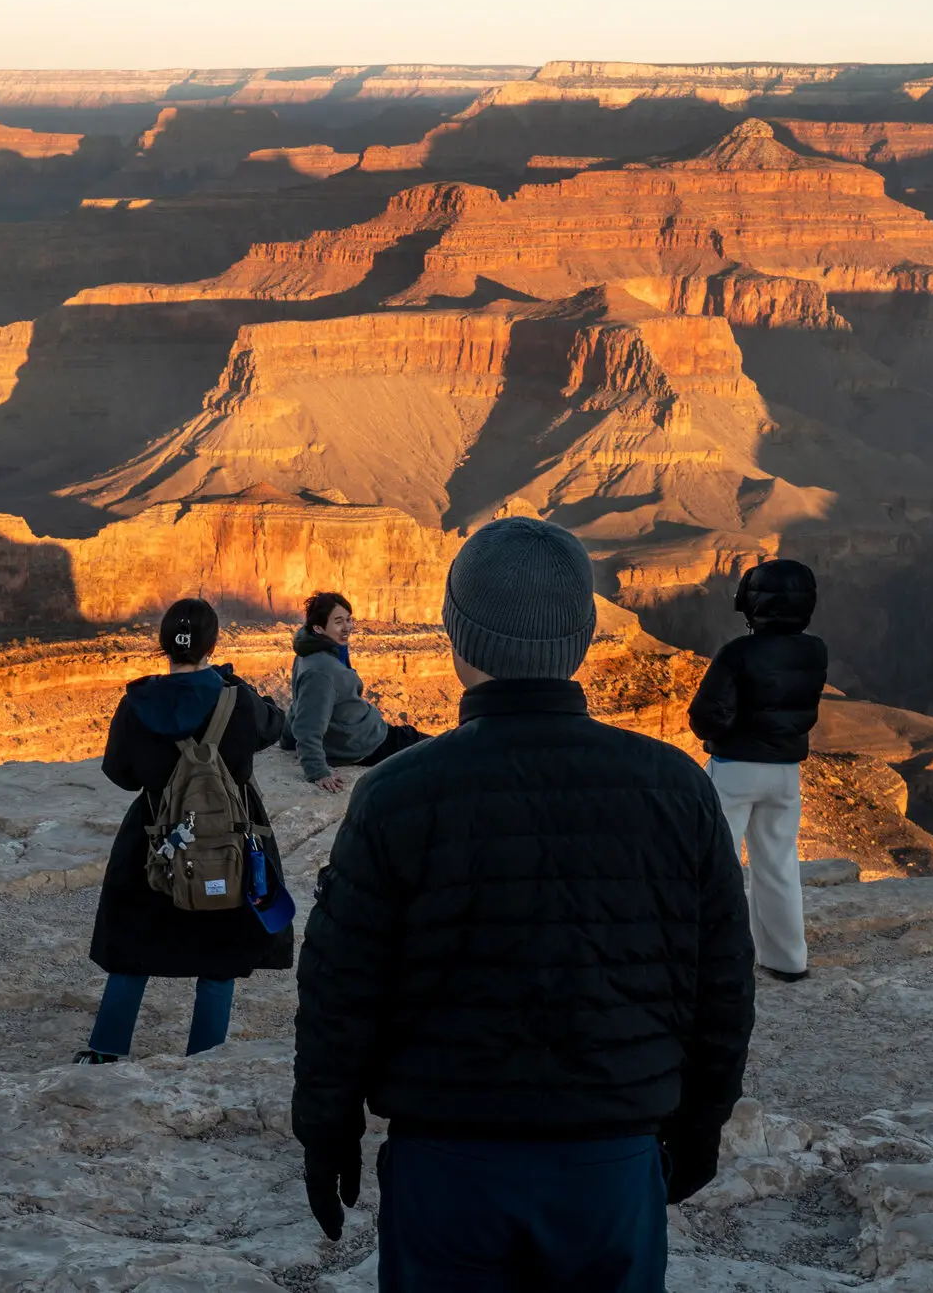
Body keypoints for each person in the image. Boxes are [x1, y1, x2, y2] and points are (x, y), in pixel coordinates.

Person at [293, 517, 756, 1292]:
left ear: (454, 635)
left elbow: (340, 984)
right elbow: (723, 980)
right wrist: (702, 1121)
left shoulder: (397, 796)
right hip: (610, 1159)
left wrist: (326, 1128)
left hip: (446, 1163)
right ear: (582, 637)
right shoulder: (677, 788)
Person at [80, 598, 290, 1062]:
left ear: (163, 645)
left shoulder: (136, 703)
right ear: (213, 643)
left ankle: (106, 1050)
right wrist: (234, 684)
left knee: (133, 943)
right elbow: (274, 727)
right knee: (219, 956)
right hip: (225, 840)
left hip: (155, 840)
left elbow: (121, 774)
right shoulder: (237, 699)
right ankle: (206, 1059)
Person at [688, 558, 829, 983]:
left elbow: (706, 715)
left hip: (734, 770)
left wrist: (719, 732)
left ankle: (717, 960)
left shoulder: (738, 653)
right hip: (785, 773)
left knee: (718, 865)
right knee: (779, 864)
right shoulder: (815, 650)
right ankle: (788, 960)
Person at [285, 591, 425, 793]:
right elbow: (308, 723)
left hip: (362, 731)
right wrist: (317, 770)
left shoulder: (311, 651)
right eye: (338, 621)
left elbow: (298, 703)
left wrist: (287, 740)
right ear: (318, 628)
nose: (347, 627)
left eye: (349, 620)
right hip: (365, 744)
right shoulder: (321, 672)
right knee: (438, 750)